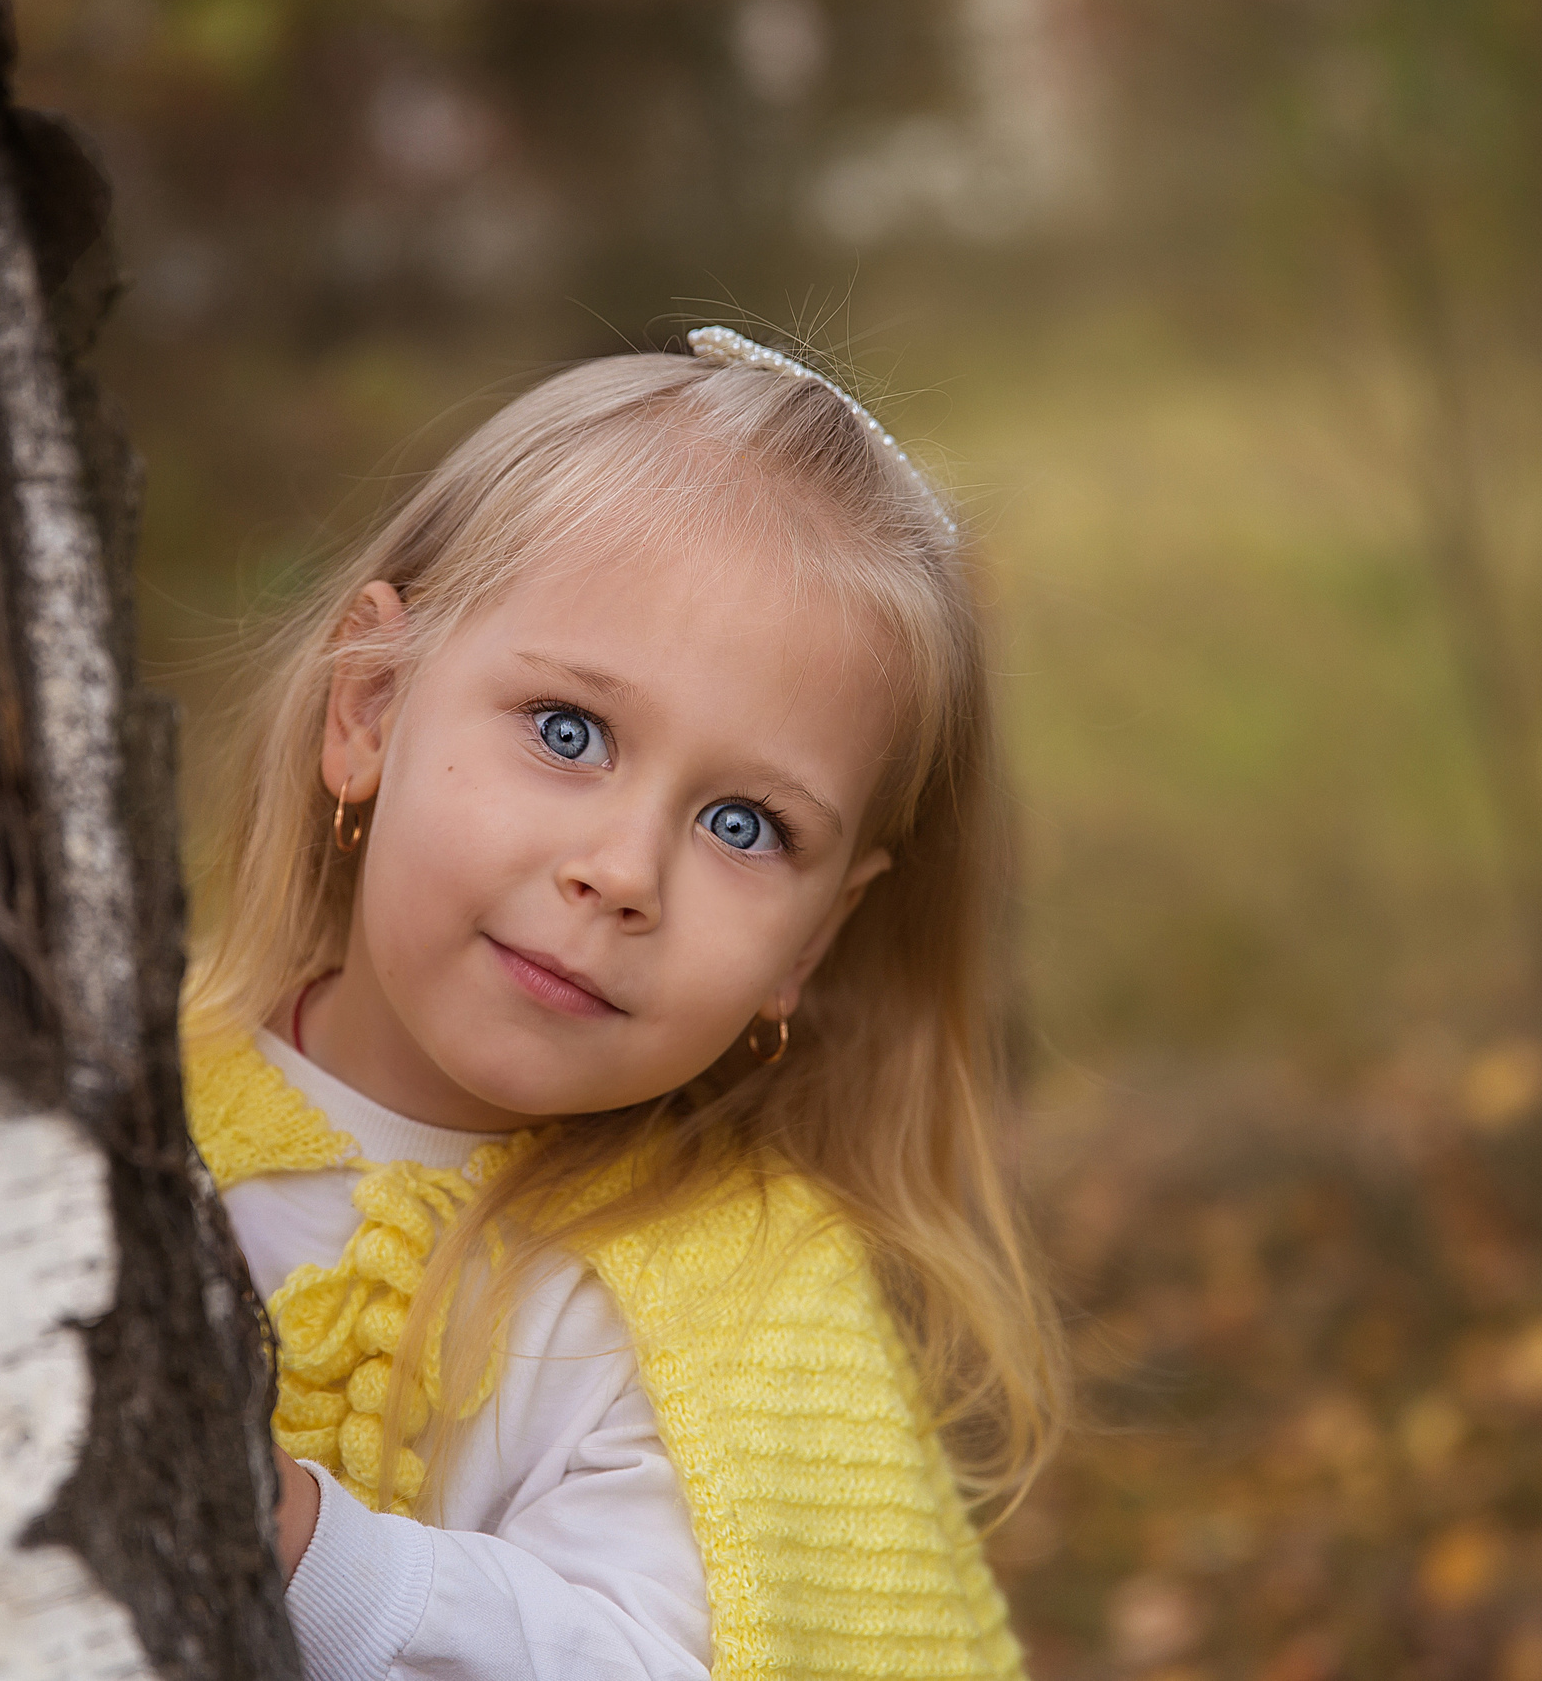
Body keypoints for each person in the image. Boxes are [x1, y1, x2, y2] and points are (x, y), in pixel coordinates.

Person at [181, 327, 1064, 1681]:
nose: (622, 874)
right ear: (368, 706)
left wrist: (306, 1551)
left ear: (813, 940)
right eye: (568, 731)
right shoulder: (121, 1102)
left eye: (743, 824)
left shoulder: (738, 1296)